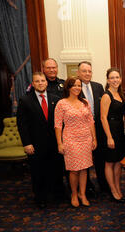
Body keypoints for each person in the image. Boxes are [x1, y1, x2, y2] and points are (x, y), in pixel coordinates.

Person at [17, 72, 65, 209]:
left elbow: (59, 122)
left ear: (46, 82)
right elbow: (22, 125)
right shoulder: (25, 100)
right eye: (37, 81)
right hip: (35, 144)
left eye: (43, 81)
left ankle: (57, 194)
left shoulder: (55, 98)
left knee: (56, 169)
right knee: (38, 172)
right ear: (33, 84)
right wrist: (26, 143)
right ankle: (40, 198)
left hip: (54, 143)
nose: (41, 83)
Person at [55, 77, 96, 207]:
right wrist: (59, 143)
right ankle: (73, 193)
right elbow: (57, 125)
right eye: (74, 85)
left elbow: (91, 122)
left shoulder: (85, 102)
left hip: (86, 138)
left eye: (79, 85)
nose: (77, 88)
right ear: (68, 87)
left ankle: (82, 194)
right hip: (70, 139)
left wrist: (94, 138)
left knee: (84, 168)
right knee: (73, 170)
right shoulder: (61, 103)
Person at [77, 61, 109, 196]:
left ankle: (103, 184)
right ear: (78, 73)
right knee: (84, 161)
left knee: (100, 159)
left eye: (89, 71)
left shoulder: (98, 86)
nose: (87, 73)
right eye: (84, 71)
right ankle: (87, 187)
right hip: (81, 130)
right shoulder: (75, 88)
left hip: (99, 129)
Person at [100, 68, 125, 203]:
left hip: (120, 131)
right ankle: (113, 190)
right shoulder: (107, 95)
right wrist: (109, 137)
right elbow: (103, 118)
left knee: (118, 162)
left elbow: (122, 116)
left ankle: (118, 187)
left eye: (117, 77)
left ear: (120, 79)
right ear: (108, 80)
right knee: (110, 162)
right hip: (110, 131)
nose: (115, 80)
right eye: (112, 77)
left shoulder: (120, 94)